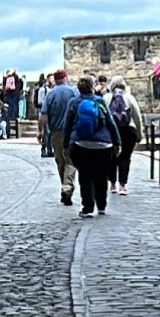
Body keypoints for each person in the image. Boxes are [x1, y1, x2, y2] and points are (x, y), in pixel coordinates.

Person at [63, 74, 118, 216]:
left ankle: (87, 208)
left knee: (85, 176)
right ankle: (101, 205)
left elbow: (67, 126)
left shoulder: (74, 103)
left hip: (81, 144)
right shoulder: (100, 101)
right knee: (101, 175)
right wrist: (117, 142)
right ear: (93, 88)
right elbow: (110, 123)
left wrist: (65, 146)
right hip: (103, 144)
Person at [42, 67, 78, 204]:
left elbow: (43, 115)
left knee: (60, 160)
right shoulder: (74, 91)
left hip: (56, 132)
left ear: (55, 80)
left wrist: (40, 132)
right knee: (71, 160)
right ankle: (67, 186)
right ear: (65, 78)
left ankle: (65, 185)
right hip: (72, 132)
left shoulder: (50, 94)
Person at [107, 74, 144, 193]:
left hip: (112, 131)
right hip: (128, 129)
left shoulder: (107, 97)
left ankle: (112, 184)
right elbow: (137, 116)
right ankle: (122, 185)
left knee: (111, 157)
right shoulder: (129, 97)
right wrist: (139, 133)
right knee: (125, 157)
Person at [34, 73, 50, 158]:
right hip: (44, 112)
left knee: (50, 132)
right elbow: (40, 102)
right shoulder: (43, 89)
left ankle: (50, 149)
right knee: (46, 132)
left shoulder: (53, 89)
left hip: (51, 113)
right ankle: (44, 149)